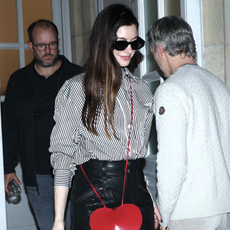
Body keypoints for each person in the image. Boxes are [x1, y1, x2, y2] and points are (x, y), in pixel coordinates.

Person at [49, 3, 161, 230]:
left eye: (135, 43)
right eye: (121, 43)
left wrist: (150, 198)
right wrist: (59, 219)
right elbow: (63, 156)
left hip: (137, 192)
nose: (129, 49)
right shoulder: (78, 89)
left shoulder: (141, 90)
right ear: (104, 42)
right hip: (94, 192)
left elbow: (135, 156)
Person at [147, 15, 230, 230]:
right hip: (223, 208)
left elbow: (172, 161)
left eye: (154, 54)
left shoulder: (171, 89)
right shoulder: (218, 85)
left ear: (161, 49)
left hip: (191, 213)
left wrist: (163, 214)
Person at [3, 19, 83, 230]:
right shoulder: (17, 81)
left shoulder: (78, 76)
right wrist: (8, 168)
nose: (48, 50)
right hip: (37, 175)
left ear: (58, 42)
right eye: (41, 45)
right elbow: (9, 125)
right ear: (31, 46)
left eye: (52, 44)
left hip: (76, 173)